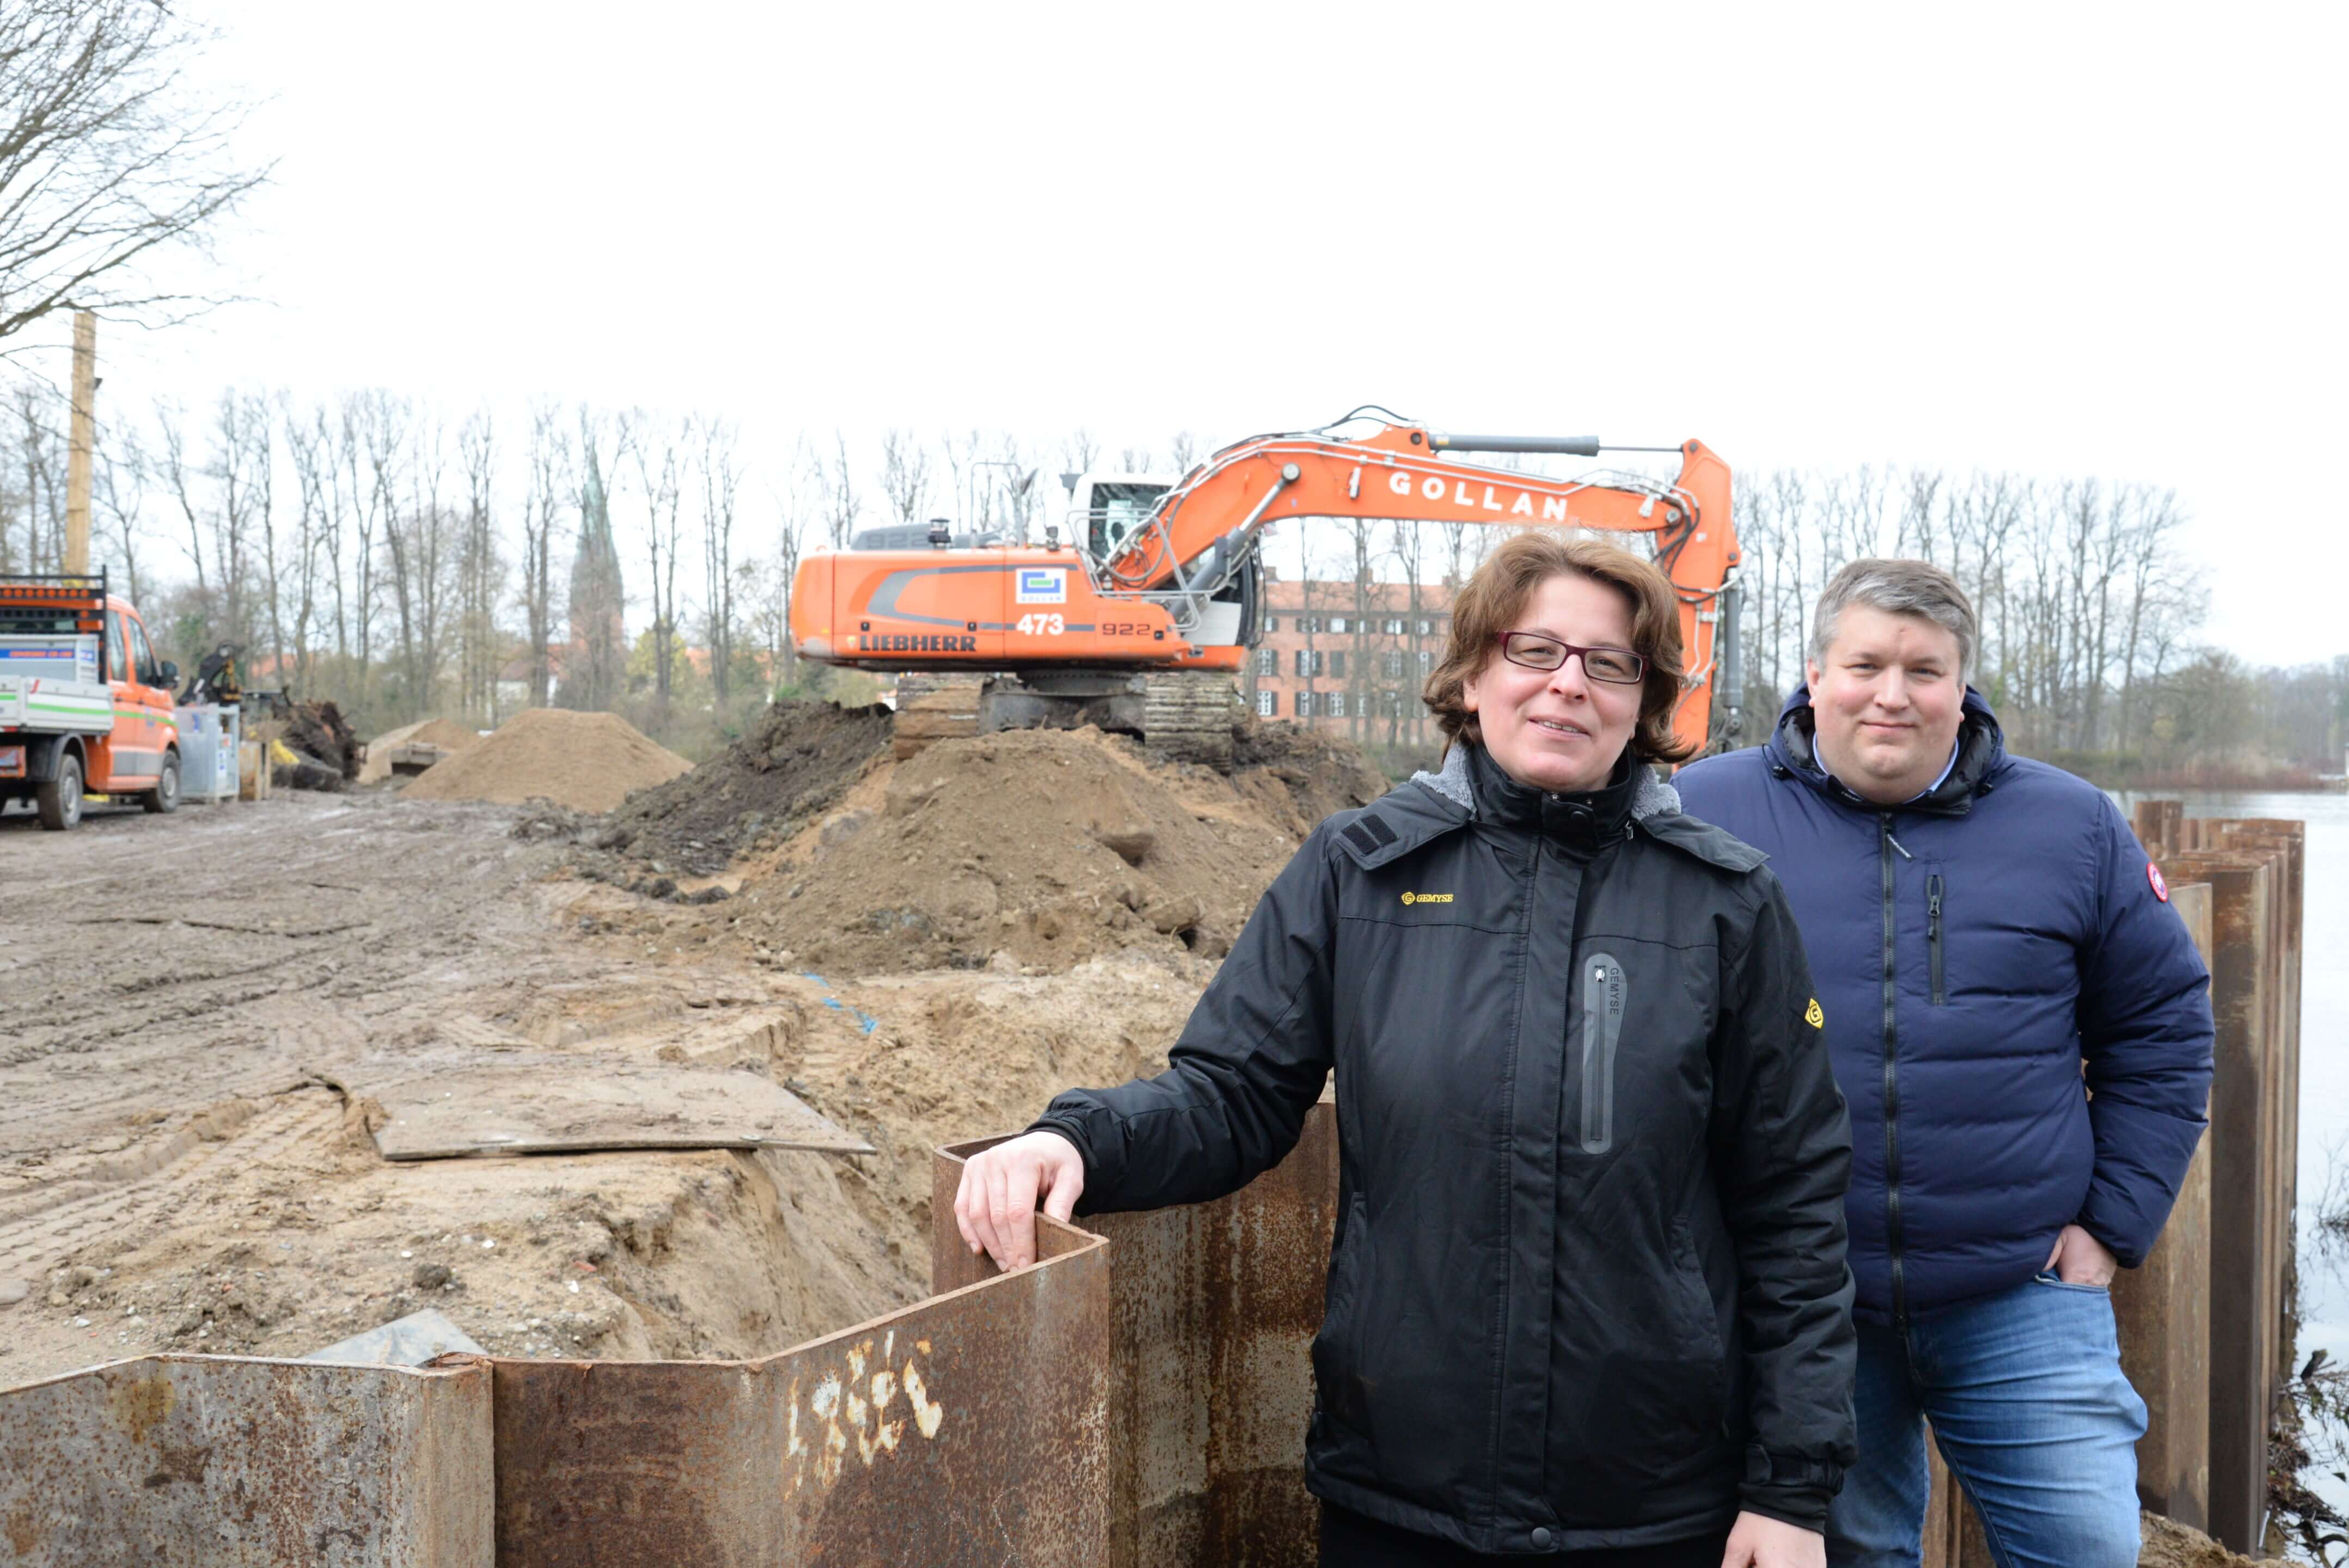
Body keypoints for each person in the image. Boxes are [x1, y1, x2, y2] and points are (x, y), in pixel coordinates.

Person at [955, 534, 1857, 1567]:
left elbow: (1792, 1204)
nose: (1568, 685)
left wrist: (1789, 1494)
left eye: (1609, 664)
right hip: (1403, 1493)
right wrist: (1078, 1144)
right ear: (1474, 675)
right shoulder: (1359, 871)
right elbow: (1230, 1095)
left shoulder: (1725, 902)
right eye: (1536, 651)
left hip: (1652, 1502)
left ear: (1643, 704)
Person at [1673, 559, 2215, 1568]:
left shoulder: (2070, 824)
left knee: (2085, 1549)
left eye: (1923, 670)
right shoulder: (1703, 813)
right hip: (1800, 1307)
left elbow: (2162, 1029)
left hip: (2019, 1290)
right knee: (1857, 1552)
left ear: (1961, 685)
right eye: (1864, 663)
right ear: (1814, 672)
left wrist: (2111, 1220)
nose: (1891, 693)